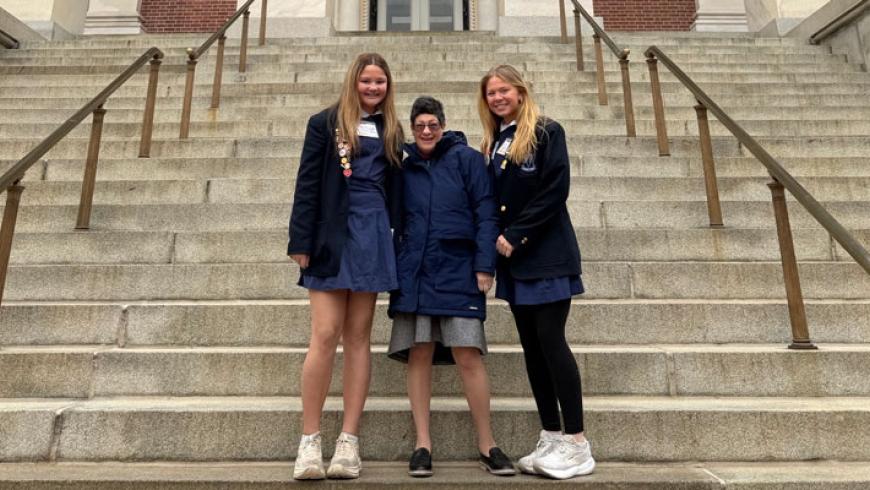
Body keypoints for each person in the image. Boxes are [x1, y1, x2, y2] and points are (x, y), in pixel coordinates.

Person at [287, 52, 404, 480]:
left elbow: (397, 187)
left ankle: (349, 442)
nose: (373, 88)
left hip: (373, 232)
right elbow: (307, 182)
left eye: (380, 82)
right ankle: (309, 440)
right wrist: (301, 240)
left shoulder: (391, 128)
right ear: (354, 82)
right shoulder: (324, 122)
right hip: (332, 235)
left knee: (358, 337)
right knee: (324, 334)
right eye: (367, 81)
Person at [477, 64, 595, 480]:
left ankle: (578, 443)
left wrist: (519, 234)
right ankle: (550, 435)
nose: (497, 98)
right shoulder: (493, 141)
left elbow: (555, 189)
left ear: (521, 93)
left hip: (546, 254)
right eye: (491, 93)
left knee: (551, 342)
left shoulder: (546, 131)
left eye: (504, 90)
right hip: (515, 262)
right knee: (531, 348)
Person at [388, 96, 515, 478]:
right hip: (415, 271)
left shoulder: (468, 161)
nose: (427, 131)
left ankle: (487, 443)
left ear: (443, 125)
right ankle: (422, 444)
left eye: (433, 124)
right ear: (412, 128)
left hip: (459, 270)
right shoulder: (403, 166)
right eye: (420, 125)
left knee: (467, 354)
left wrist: (484, 265)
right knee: (420, 353)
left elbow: (486, 213)